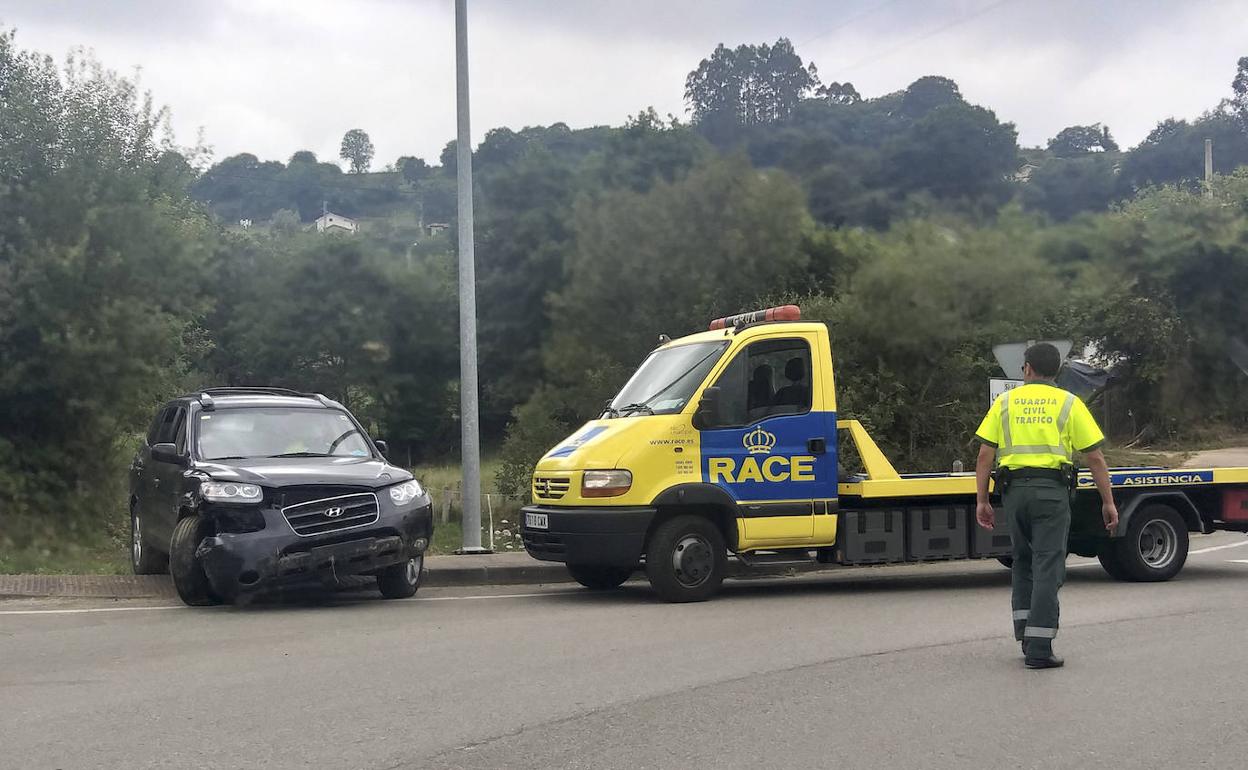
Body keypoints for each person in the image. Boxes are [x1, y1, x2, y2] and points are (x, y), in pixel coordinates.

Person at [974, 343, 1119, 669]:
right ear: (1057, 371)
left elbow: (985, 455)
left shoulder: (1005, 402)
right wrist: (1108, 502)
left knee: (1023, 562)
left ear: (1026, 368)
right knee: (1047, 566)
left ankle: (1026, 634)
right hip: (1050, 493)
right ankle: (1039, 648)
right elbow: (1094, 456)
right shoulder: (1070, 403)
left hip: (1014, 493)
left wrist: (982, 500)